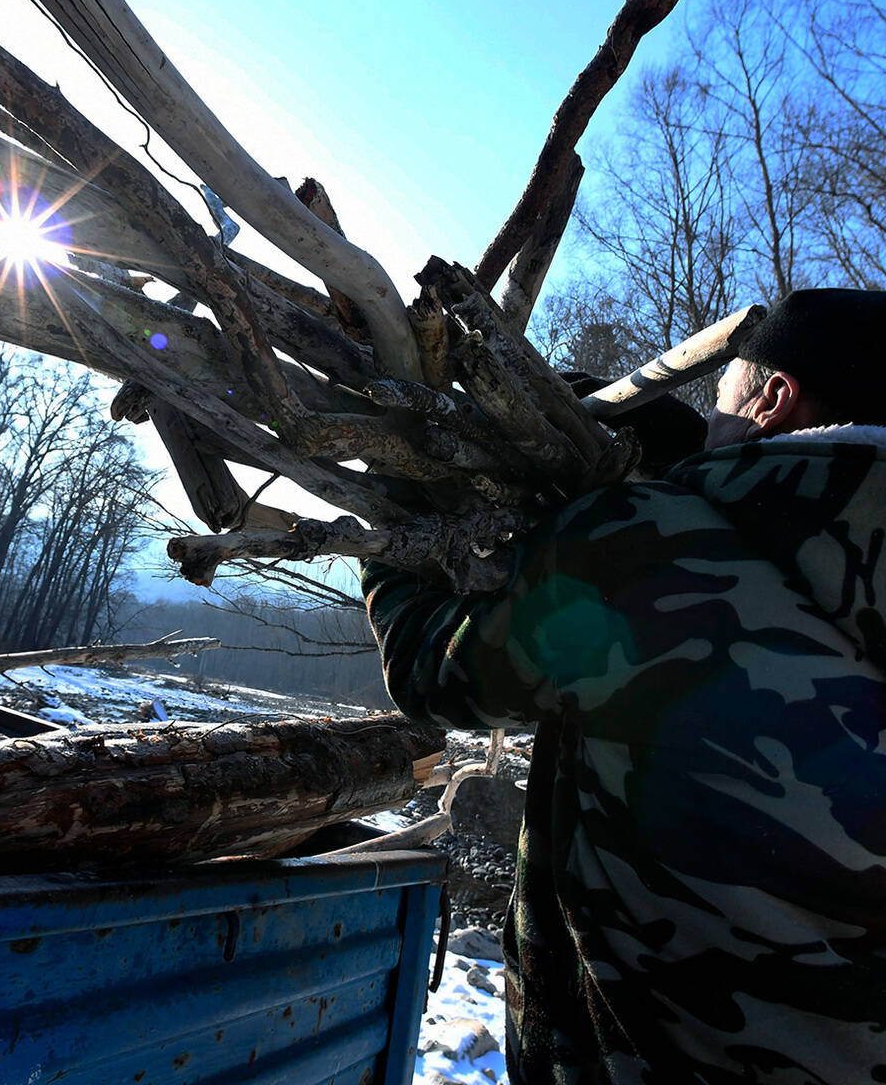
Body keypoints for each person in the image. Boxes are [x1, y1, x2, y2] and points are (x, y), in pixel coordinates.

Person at [362, 288, 886, 1084]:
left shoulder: (650, 547)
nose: (706, 423)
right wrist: (682, 442)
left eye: (720, 399)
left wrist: (389, 506)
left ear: (775, 398)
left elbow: (431, 663)